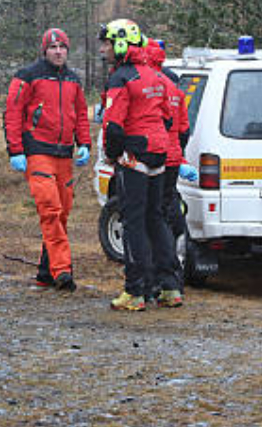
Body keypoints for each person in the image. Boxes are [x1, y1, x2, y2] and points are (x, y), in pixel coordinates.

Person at [3, 28, 91, 292]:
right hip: (37, 152)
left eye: (62, 47)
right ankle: (63, 270)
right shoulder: (27, 76)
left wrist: (84, 143)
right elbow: (12, 113)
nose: (58, 52)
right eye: (53, 48)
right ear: (45, 50)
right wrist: (15, 150)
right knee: (50, 211)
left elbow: (81, 115)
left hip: (64, 154)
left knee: (62, 213)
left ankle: (45, 271)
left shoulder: (74, 80)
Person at [100, 19, 174, 311]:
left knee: (133, 224)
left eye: (107, 42)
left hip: (135, 154)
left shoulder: (121, 78)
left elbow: (114, 124)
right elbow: (167, 117)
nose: (104, 49)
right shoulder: (156, 76)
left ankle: (135, 291)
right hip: (159, 152)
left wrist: (112, 153)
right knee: (156, 219)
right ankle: (169, 287)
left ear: (120, 44)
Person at [145, 39, 197, 304]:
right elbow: (184, 129)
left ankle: (159, 281)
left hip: (154, 159)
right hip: (173, 159)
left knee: (152, 220)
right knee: (170, 215)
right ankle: (172, 281)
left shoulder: (150, 85)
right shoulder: (175, 90)